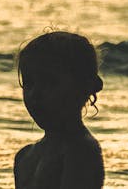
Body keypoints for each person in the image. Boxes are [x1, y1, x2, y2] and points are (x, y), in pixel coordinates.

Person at [13, 31, 105, 188]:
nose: (35, 93)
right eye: (29, 83)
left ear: (82, 87)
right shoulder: (24, 157)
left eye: (49, 82)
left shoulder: (81, 152)